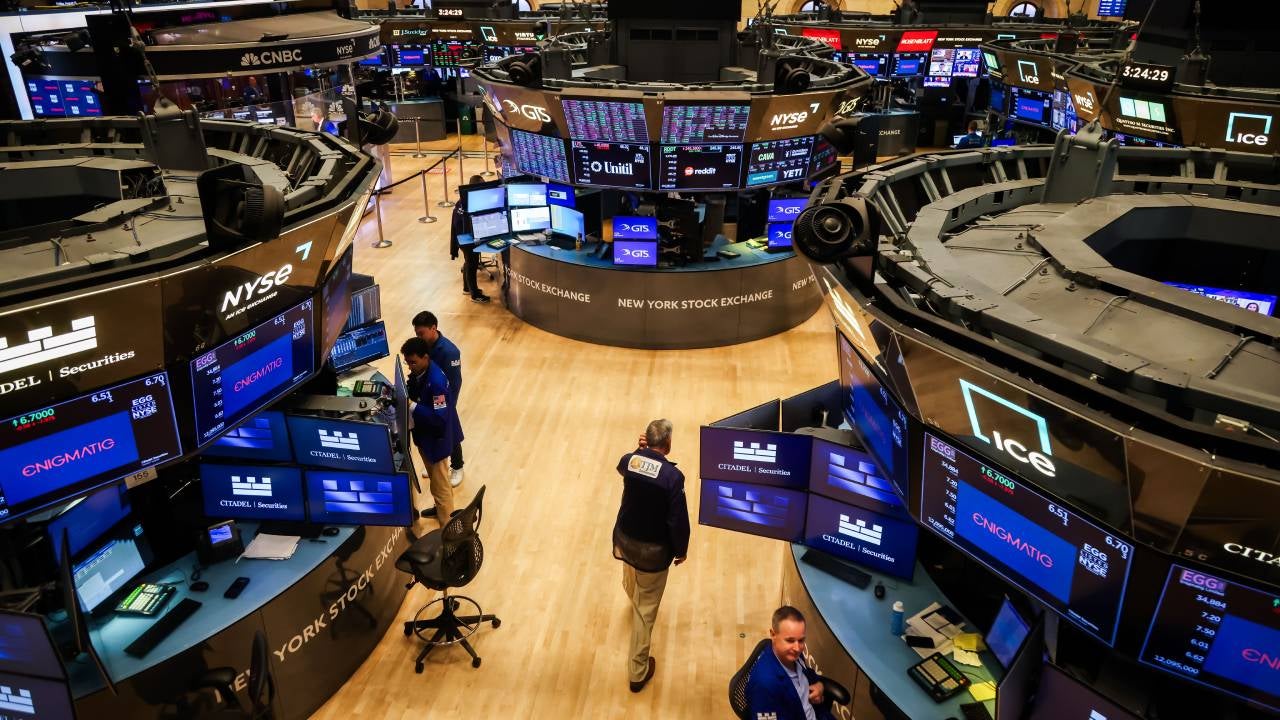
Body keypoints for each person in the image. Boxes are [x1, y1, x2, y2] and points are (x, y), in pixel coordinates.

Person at [612, 420, 689, 693]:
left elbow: (624, 466)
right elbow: (677, 521)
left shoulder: (630, 461)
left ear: (647, 440)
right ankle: (637, 672)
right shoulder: (672, 478)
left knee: (631, 575)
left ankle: (634, 598)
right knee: (645, 614)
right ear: (667, 445)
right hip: (652, 553)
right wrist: (681, 550)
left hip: (624, 542)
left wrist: (638, 451)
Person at [401, 337, 461, 521]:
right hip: (426, 439)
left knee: (441, 489)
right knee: (437, 483)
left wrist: (412, 406)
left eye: (413, 362)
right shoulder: (424, 372)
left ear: (425, 357)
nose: (410, 366)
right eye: (407, 362)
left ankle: (449, 532)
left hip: (437, 442)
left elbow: (438, 418)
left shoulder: (436, 383)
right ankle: (440, 511)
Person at [745, 606, 832, 720]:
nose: (797, 648)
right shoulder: (765, 685)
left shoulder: (792, 655)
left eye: (801, 640)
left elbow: (808, 674)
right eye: (790, 641)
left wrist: (820, 685)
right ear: (773, 634)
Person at [413, 311, 466, 487]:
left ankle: (457, 466)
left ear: (433, 328)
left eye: (421, 333)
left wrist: (448, 409)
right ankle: (436, 461)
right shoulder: (425, 345)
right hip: (429, 396)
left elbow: (455, 382)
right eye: (416, 333)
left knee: (451, 433)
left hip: (445, 400)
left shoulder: (450, 352)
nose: (418, 337)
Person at [451, 174, 491, 303]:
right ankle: (475, 295)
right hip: (467, 240)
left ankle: (467, 288)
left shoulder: (463, 200)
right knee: (472, 264)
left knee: (468, 262)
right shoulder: (471, 203)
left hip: (461, 238)